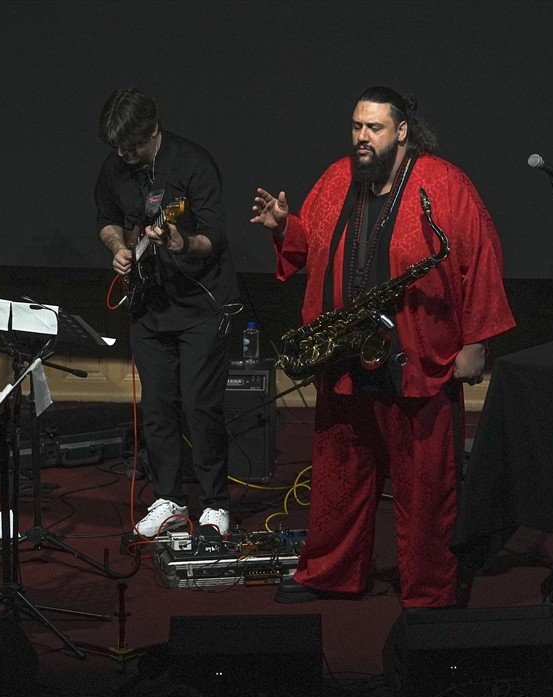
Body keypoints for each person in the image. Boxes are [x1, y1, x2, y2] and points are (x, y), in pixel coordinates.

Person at [251, 86, 515, 607]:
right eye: (356, 127)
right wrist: (285, 227)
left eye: (373, 128)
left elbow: (480, 258)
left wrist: (477, 343)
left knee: (425, 488)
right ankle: (332, 574)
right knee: (338, 476)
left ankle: (430, 586)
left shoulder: (445, 183)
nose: (361, 137)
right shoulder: (335, 179)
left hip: (418, 358)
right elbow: (314, 246)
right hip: (345, 355)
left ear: (402, 131)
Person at [94, 88, 240, 540]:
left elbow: (214, 236)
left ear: (153, 130)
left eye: (132, 146)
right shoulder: (115, 166)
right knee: (157, 406)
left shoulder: (193, 163)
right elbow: (105, 219)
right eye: (117, 147)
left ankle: (216, 503)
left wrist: (182, 243)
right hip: (149, 305)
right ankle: (170, 497)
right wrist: (119, 248)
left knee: (199, 405)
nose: (123, 154)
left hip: (200, 305)